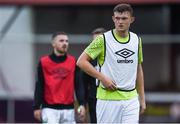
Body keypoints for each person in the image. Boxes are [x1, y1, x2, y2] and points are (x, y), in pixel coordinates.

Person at [77, 3, 146, 123]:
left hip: (131, 100)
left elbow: (138, 69)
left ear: (132, 20)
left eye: (124, 18)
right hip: (107, 100)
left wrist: (142, 98)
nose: (120, 22)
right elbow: (81, 62)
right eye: (117, 18)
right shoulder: (102, 39)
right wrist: (102, 78)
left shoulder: (137, 40)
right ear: (113, 19)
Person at [33, 31, 86, 123]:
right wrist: (36, 107)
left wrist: (82, 104)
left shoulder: (74, 62)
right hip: (49, 110)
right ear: (53, 43)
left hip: (69, 110)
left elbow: (78, 85)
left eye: (66, 41)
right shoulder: (43, 62)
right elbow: (39, 85)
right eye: (61, 41)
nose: (65, 43)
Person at [80, 27, 106, 123]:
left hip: (112, 99)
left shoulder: (114, 57)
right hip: (94, 100)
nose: (96, 44)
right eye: (94, 41)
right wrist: (83, 104)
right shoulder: (87, 60)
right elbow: (83, 84)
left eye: (98, 41)